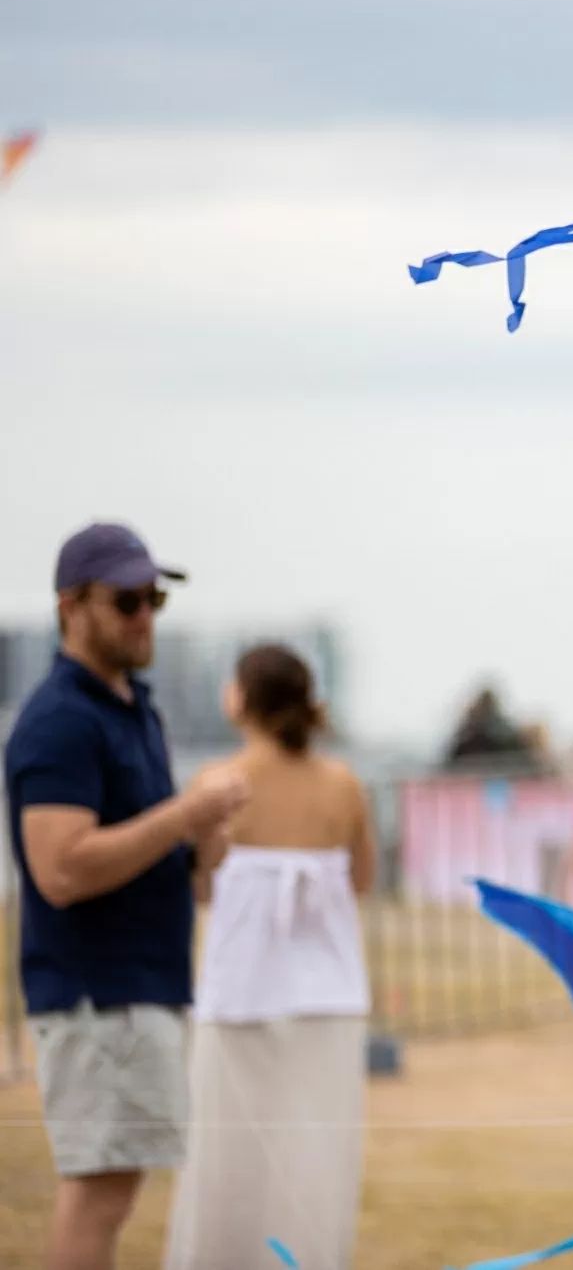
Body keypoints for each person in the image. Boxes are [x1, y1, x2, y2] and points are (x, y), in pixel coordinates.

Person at [3, 523, 246, 1270]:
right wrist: (184, 814)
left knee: (112, 1189)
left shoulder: (131, 707)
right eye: (127, 599)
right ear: (70, 605)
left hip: (136, 987)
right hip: (96, 993)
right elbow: (61, 869)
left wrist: (203, 837)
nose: (145, 615)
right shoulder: (61, 720)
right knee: (98, 1193)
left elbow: (146, 847)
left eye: (155, 597)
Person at [163, 644, 374, 1270]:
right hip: (329, 995)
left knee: (227, 1157)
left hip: (241, 994)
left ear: (242, 699)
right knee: (316, 1154)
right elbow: (362, 878)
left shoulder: (220, 784)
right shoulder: (343, 785)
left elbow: (200, 886)